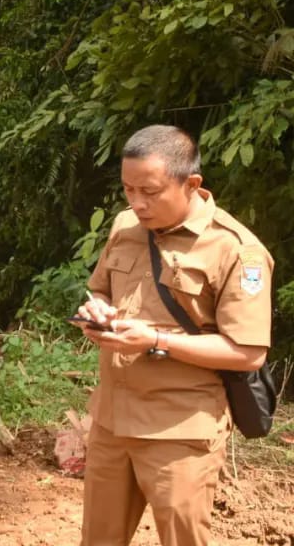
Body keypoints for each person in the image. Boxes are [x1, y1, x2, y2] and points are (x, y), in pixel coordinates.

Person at [74, 125, 272, 546]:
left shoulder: (235, 249)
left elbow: (248, 352)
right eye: (128, 189)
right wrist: (97, 308)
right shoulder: (126, 226)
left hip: (179, 431)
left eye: (150, 191)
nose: (137, 203)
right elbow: (100, 287)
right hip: (112, 421)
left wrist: (155, 341)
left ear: (191, 183)